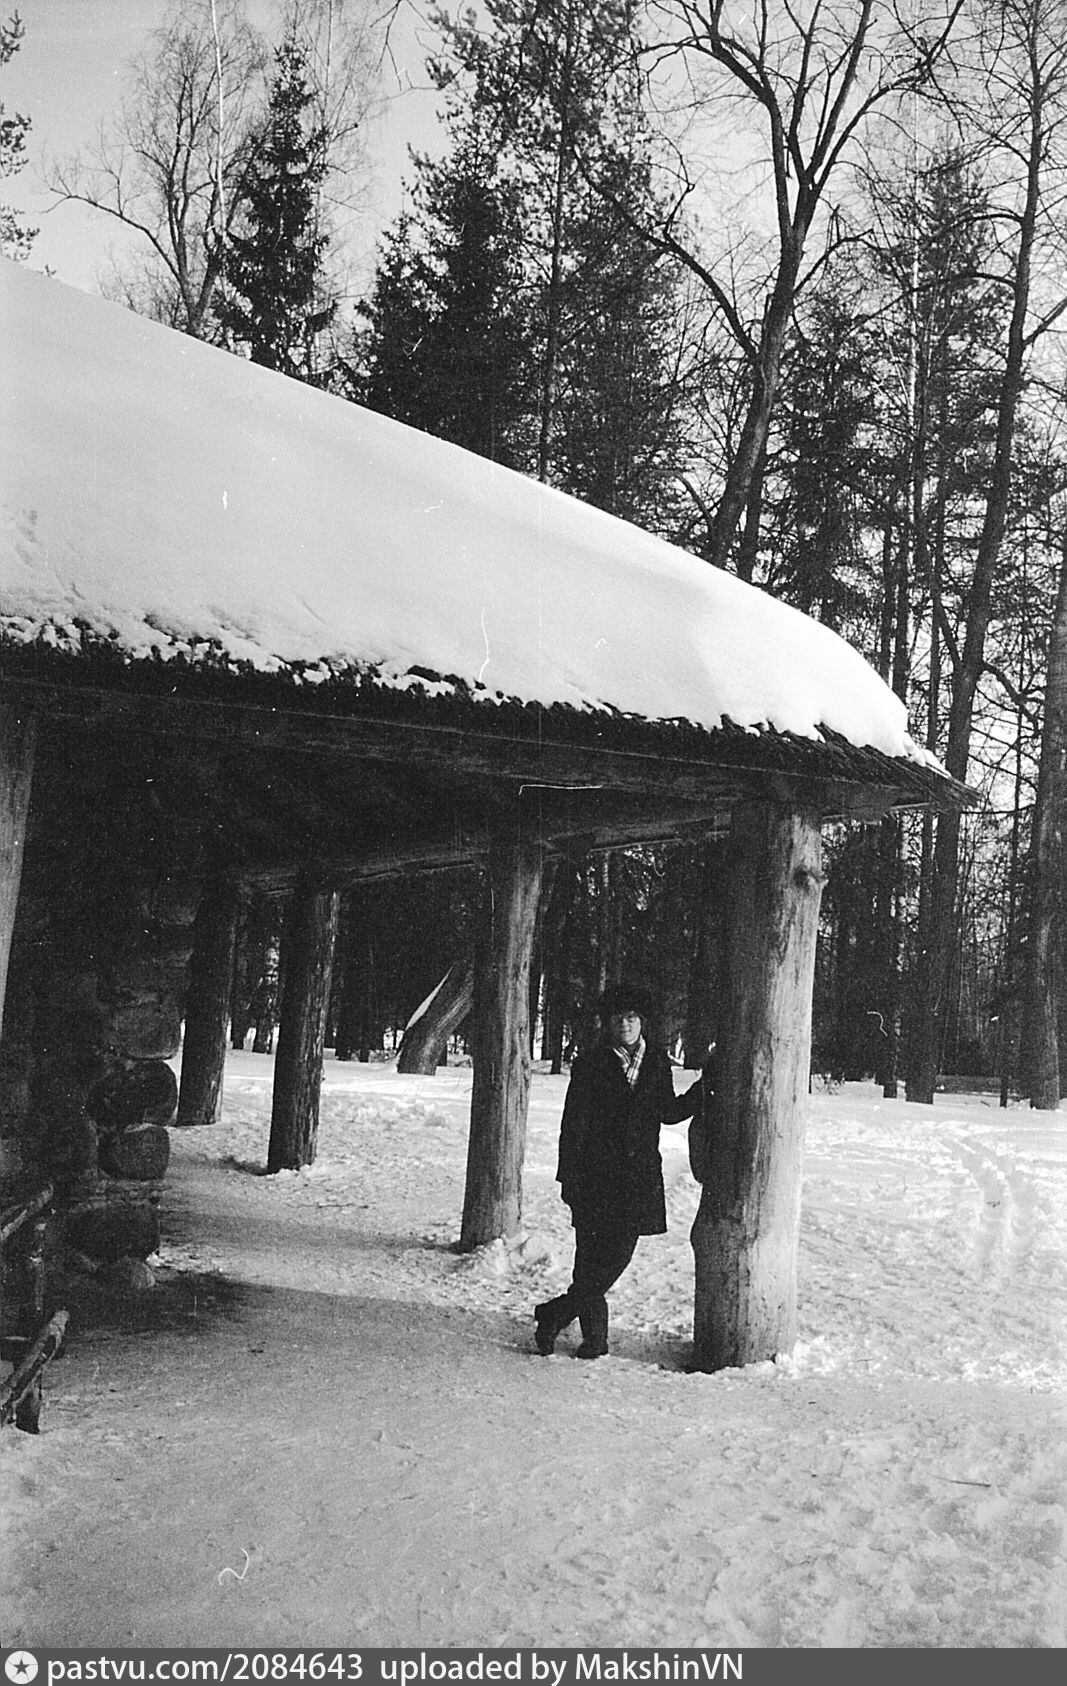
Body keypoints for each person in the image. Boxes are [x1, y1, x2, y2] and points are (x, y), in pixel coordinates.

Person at [533, 983, 683, 1360]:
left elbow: (667, 1111)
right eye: (618, 1018)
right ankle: (595, 1339)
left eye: (631, 1017)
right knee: (588, 1261)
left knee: (617, 1256)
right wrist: (568, 1177)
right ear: (607, 1023)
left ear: (642, 1021)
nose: (625, 1024)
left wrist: (704, 1093)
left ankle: (554, 1314)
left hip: (638, 1178)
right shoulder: (591, 1063)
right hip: (594, 1177)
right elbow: (573, 1125)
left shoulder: (657, 1062)